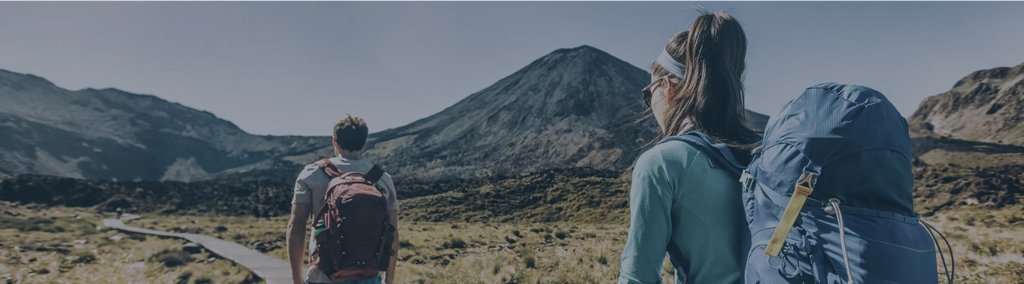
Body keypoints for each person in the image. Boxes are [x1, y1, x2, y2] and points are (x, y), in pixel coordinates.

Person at [618, 11, 761, 284]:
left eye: (648, 94)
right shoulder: (762, 153)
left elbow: (637, 277)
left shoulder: (662, 163)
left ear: (667, 87)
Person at [287, 115, 400, 284]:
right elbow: (392, 231)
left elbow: (296, 227)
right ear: (364, 144)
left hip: (323, 276)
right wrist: (388, 280)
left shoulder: (312, 174)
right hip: (368, 275)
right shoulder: (383, 179)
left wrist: (297, 280)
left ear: (335, 142)